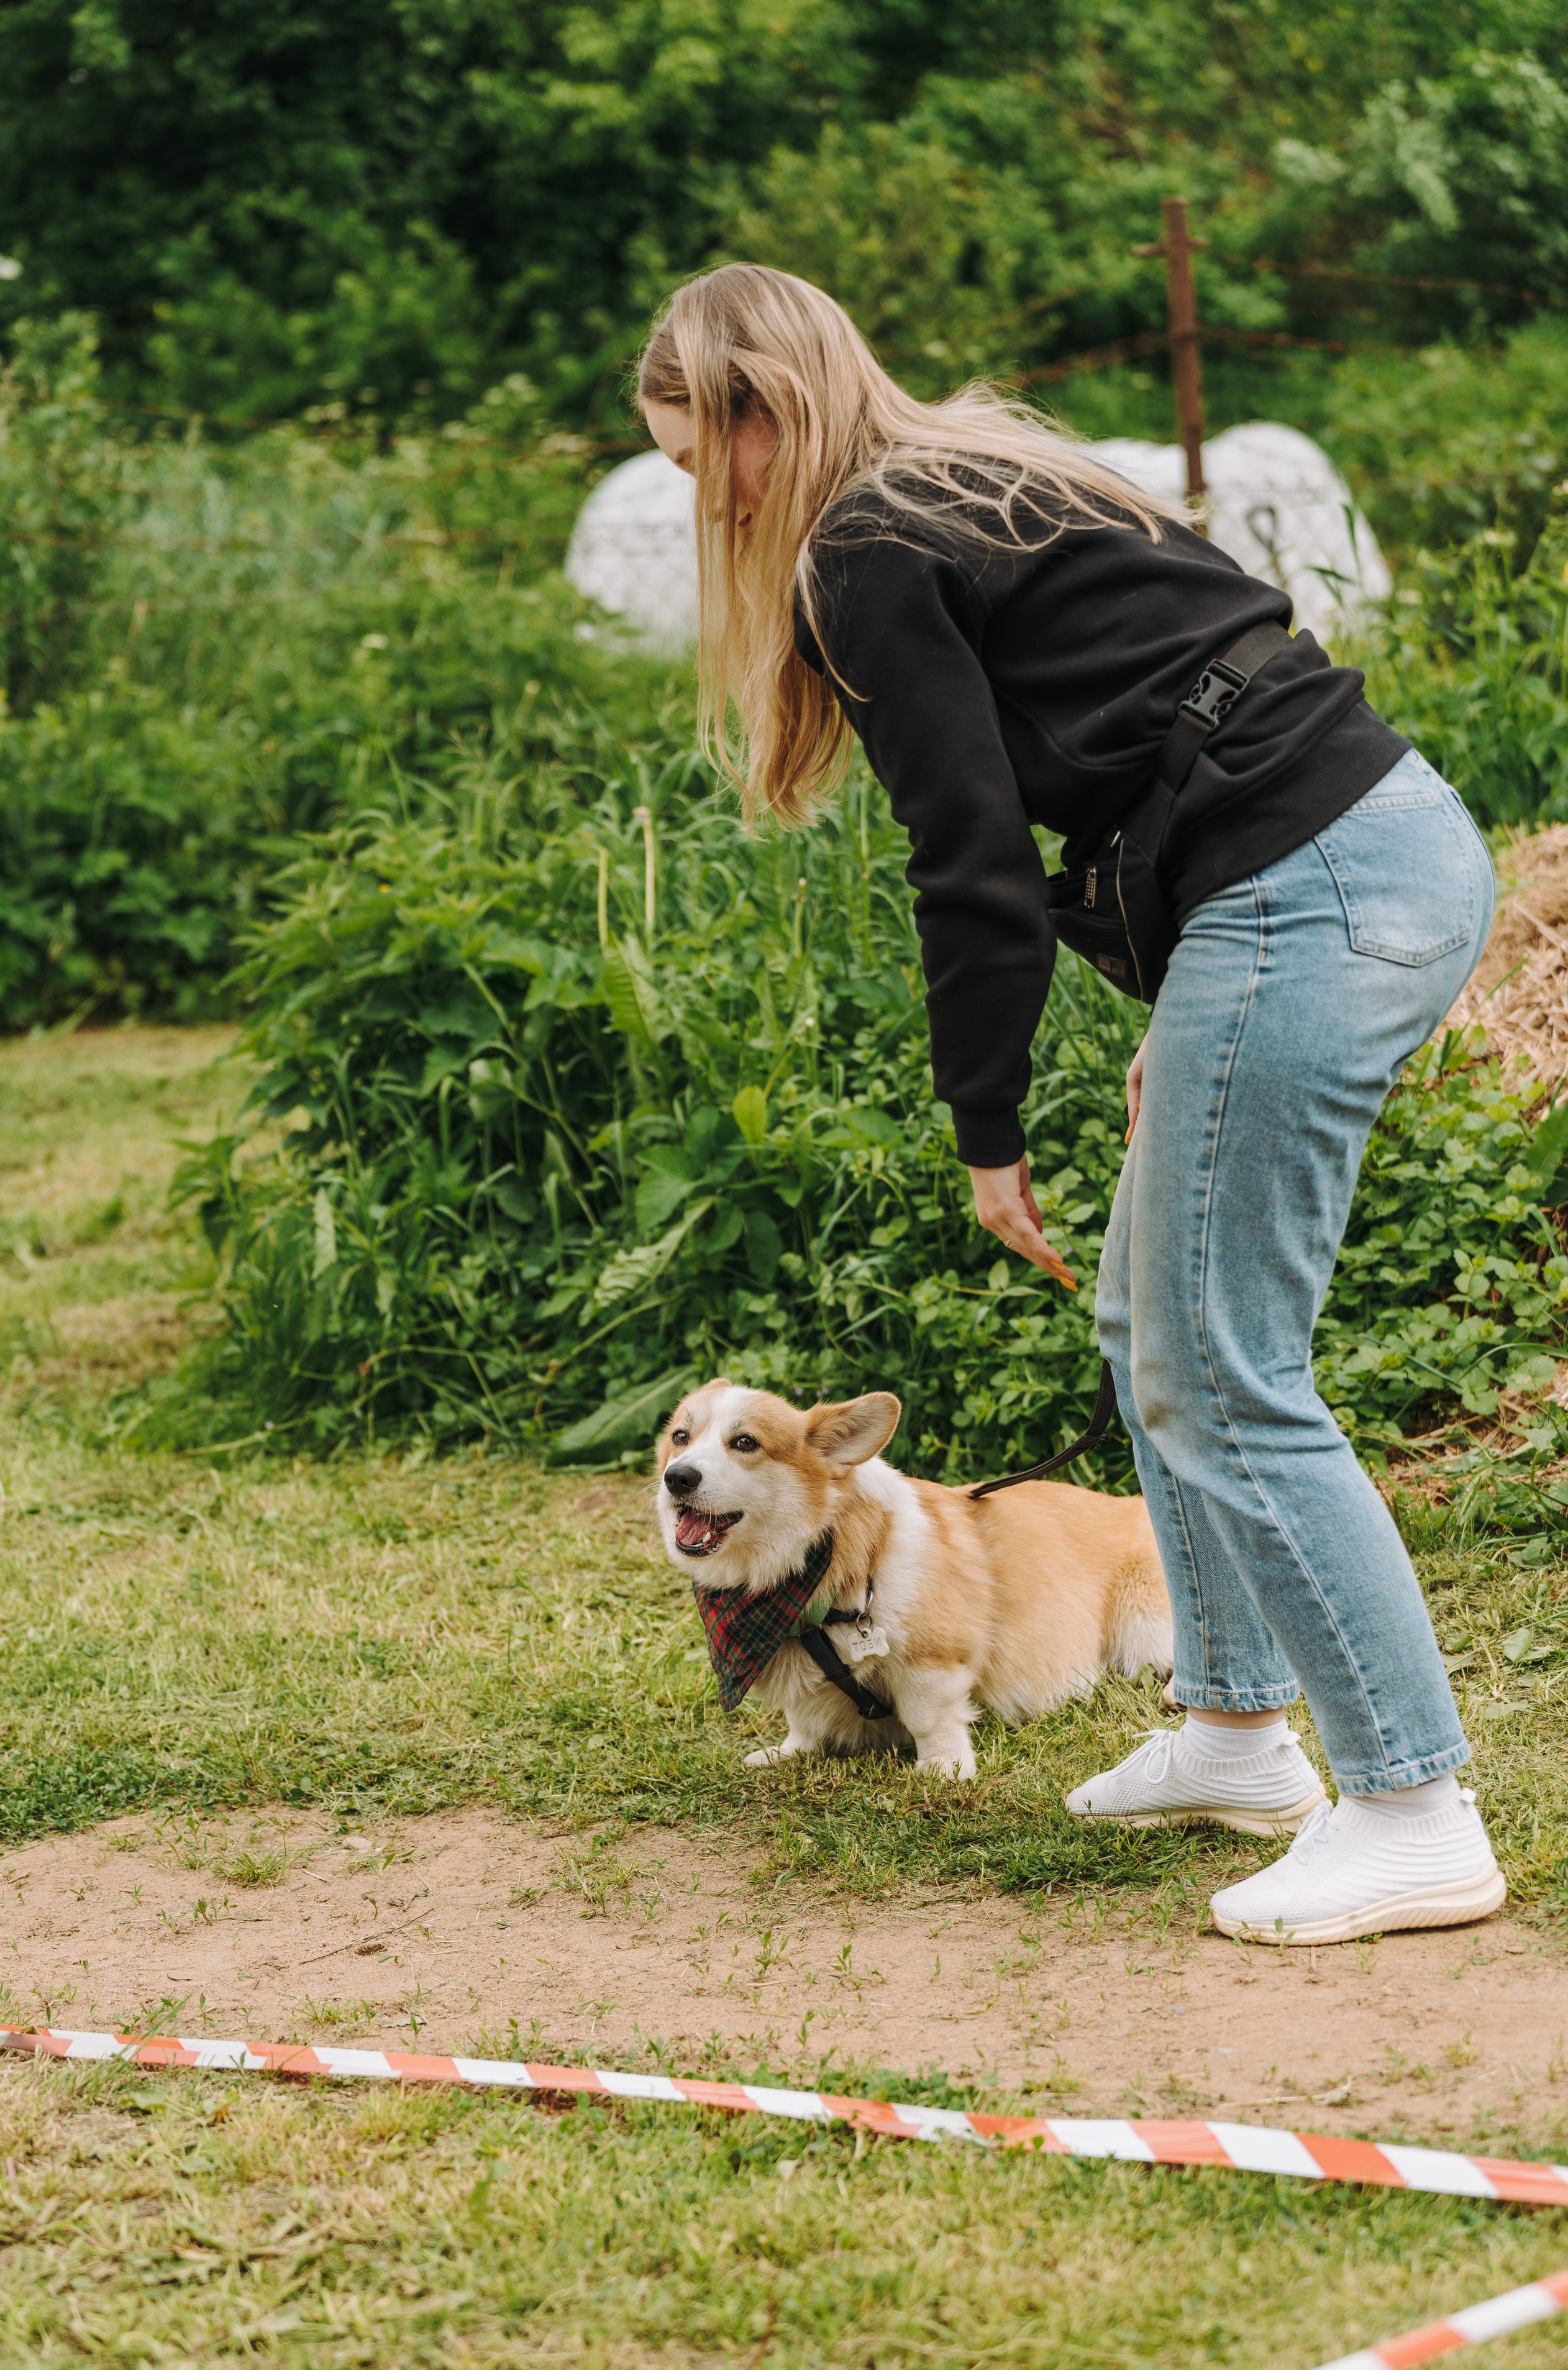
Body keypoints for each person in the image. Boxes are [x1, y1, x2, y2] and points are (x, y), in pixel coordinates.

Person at [637, 261, 1504, 1946]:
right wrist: (1190, 992)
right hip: (1347, 860)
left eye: (697, 458)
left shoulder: (867, 544)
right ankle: (1240, 1736)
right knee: (1145, 1328)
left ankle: (1411, 1804)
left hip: (1317, 881)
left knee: (1229, 1370)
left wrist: (988, 1127)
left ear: (764, 410)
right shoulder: (984, 473)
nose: (701, 500)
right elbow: (1176, 708)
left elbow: (971, 861)